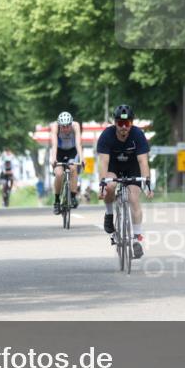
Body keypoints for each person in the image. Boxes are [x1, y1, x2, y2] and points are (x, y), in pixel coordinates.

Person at [97, 104, 153, 258]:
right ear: (115, 123)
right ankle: (109, 214)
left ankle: (136, 238)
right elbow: (103, 162)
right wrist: (102, 185)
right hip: (113, 166)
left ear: (131, 124)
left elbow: (143, 162)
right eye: (120, 123)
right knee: (110, 186)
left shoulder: (138, 135)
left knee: (133, 198)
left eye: (127, 123)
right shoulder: (107, 135)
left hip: (132, 167)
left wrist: (147, 183)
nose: (123, 127)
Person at [49, 111, 84, 214]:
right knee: (59, 174)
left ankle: (73, 196)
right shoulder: (55, 127)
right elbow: (54, 145)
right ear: (59, 125)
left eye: (67, 126)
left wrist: (82, 158)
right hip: (59, 151)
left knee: (73, 168)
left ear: (71, 124)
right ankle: (56, 201)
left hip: (72, 151)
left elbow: (78, 144)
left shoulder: (76, 126)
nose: (65, 129)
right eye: (63, 127)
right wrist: (53, 159)